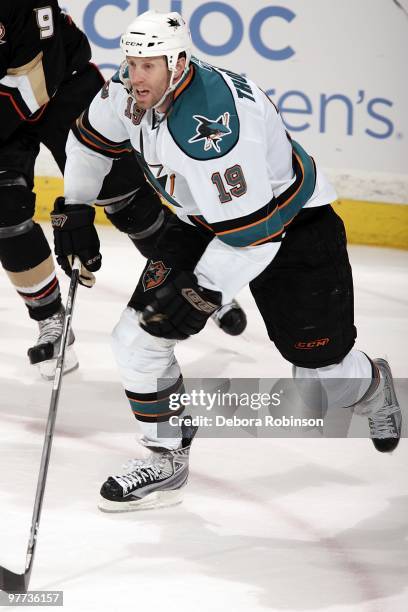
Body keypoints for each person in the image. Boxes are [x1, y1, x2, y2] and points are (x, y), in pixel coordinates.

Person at [51, 10, 402, 512]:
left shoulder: (210, 128)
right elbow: (88, 140)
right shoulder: (130, 89)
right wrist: (78, 209)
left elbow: (256, 236)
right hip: (205, 222)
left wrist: (203, 291)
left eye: (147, 66)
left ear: (176, 63)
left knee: (319, 381)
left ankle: (370, 386)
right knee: (136, 340)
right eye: (130, 63)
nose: (134, 76)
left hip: (292, 226)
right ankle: (166, 456)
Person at [0, 2, 246, 380]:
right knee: (5, 214)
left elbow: (39, 76)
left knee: (127, 202)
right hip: (6, 111)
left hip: (61, 86)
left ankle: (196, 282)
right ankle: (52, 323)